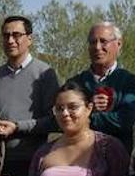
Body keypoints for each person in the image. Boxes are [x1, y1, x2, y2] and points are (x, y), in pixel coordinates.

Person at [36, 22, 135, 154]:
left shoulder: (129, 82)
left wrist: (82, 116)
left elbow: (124, 121)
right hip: (78, 159)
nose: (97, 47)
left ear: (118, 44)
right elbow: (61, 120)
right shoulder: (75, 82)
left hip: (116, 159)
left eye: (103, 41)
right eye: (93, 42)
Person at [0, 16, 59, 176]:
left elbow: (54, 121)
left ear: (29, 39)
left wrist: (16, 127)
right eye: (6, 35)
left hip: (32, 161)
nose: (10, 40)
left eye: (16, 35)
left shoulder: (45, 74)